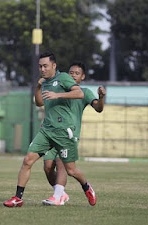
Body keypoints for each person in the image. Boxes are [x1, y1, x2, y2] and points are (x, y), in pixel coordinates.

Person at [3, 51, 97, 207]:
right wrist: (38, 86)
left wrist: (57, 95)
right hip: (46, 130)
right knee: (28, 160)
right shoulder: (44, 81)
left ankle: (87, 187)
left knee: (71, 170)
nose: (42, 69)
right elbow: (39, 103)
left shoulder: (64, 78)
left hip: (64, 131)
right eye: (40, 66)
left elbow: (79, 93)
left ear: (54, 65)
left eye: (45, 66)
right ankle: (17, 198)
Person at [40, 62, 106, 206]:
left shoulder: (85, 92)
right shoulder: (59, 89)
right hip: (52, 132)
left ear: (82, 77)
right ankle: (71, 190)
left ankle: (57, 197)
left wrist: (101, 98)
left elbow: (98, 108)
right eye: (71, 73)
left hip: (70, 134)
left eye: (77, 73)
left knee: (62, 164)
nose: (73, 75)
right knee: (47, 166)